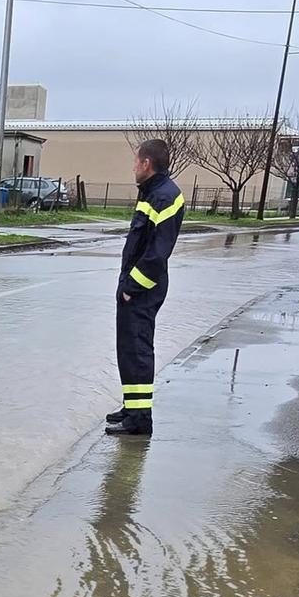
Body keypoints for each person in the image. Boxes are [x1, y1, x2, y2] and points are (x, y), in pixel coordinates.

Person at [106, 139, 185, 437]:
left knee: (138, 351)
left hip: (142, 289)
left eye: (135, 162)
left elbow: (156, 254)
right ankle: (132, 407)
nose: (133, 167)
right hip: (135, 287)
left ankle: (140, 420)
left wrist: (131, 288)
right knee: (128, 350)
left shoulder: (164, 197)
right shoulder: (152, 192)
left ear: (146, 163)